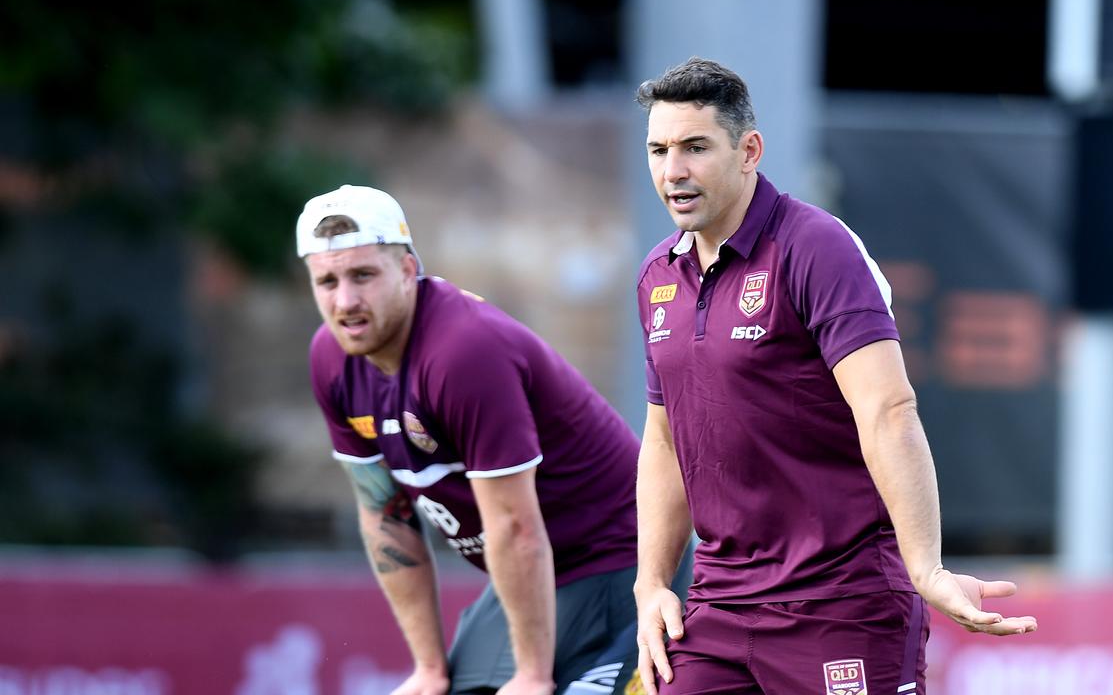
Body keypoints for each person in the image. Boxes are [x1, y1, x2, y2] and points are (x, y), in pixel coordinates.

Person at [631, 57, 1038, 695]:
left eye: (694, 147)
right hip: (716, 606)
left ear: (749, 151)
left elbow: (888, 411)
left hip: (842, 604)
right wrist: (652, 583)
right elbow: (663, 440)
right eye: (658, 150)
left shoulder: (816, 248)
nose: (672, 171)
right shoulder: (658, 274)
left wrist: (924, 566)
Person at [297, 185, 643, 695]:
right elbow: (383, 514)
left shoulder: (461, 352)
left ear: (408, 270)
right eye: (326, 281)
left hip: (620, 555)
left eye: (363, 275)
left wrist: (532, 676)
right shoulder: (331, 358)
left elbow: (515, 527)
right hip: (530, 575)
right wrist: (428, 668)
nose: (345, 301)